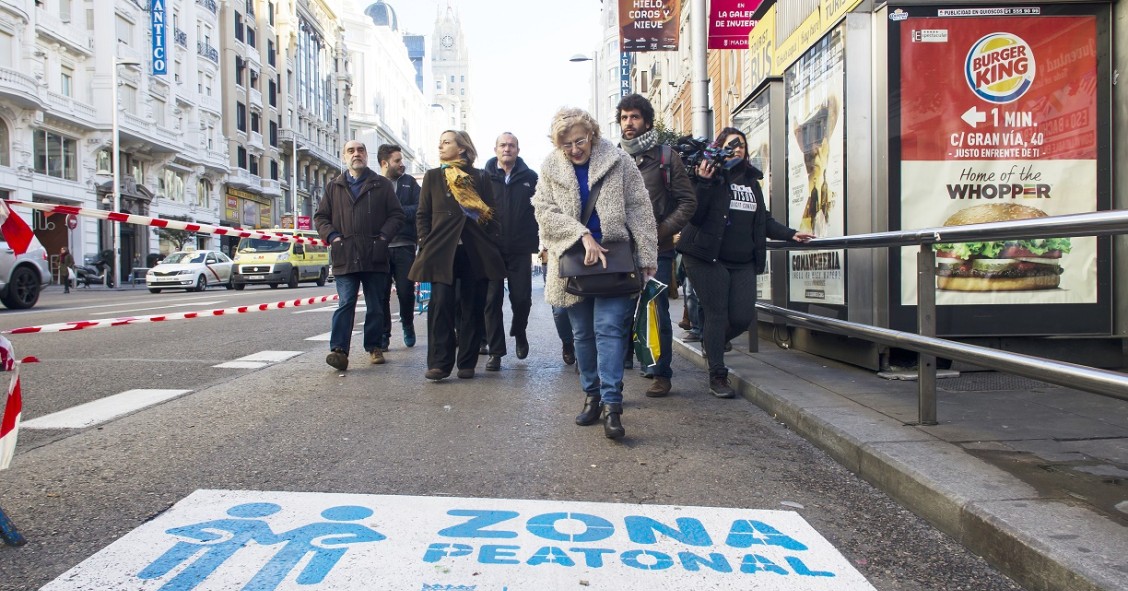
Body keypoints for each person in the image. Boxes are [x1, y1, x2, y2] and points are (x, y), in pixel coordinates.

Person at [533, 107, 658, 440]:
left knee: (608, 330)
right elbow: (544, 211)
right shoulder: (549, 167)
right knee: (583, 335)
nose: (575, 150)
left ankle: (612, 406)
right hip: (574, 263)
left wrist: (647, 255)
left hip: (615, 260)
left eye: (580, 141)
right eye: (567, 145)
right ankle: (592, 395)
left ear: (592, 135)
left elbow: (640, 208)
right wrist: (581, 234)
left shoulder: (619, 161)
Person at [677, 127, 815, 398]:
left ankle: (712, 341)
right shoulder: (709, 177)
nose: (737, 149)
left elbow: (763, 220)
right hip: (705, 257)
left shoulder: (752, 182)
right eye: (731, 145)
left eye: (741, 145)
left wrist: (791, 234)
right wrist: (704, 182)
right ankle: (718, 374)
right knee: (717, 313)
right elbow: (694, 215)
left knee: (741, 317)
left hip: (742, 261)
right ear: (719, 149)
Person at [616, 94, 696, 397]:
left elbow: (688, 203)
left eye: (634, 117)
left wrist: (661, 231)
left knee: (657, 309)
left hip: (658, 249)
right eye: (624, 118)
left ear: (647, 121)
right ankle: (620, 369)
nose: (628, 123)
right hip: (621, 250)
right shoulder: (615, 158)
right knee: (621, 311)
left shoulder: (665, 157)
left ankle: (662, 372)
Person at [408, 130, 505, 381]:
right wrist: (425, 241)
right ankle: (439, 363)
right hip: (442, 251)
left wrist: (491, 242)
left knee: (472, 306)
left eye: (447, 142)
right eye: (439, 142)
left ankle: (467, 362)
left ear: (462, 148)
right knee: (440, 305)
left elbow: (491, 213)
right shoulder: (432, 177)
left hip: (474, 250)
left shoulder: (479, 177)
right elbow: (423, 214)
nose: (440, 146)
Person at [314, 140, 405, 371]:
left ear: (367, 155)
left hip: (374, 254)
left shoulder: (381, 184)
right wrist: (333, 236)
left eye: (361, 150)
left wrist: (383, 238)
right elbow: (321, 218)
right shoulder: (334, 186)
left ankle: (374, 346)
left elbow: (396, 215)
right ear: (344, 156)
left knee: (375, 304)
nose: (357, 154)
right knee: (346, 303)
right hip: (345, 254)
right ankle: (339, 350)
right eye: (351, 151)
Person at [478, 133, 539, 372]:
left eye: (511, 145)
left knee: (522, 299)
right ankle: (496, 352)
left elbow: (540, 210)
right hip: (490, 249)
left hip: (520, 248)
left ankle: (519, 330)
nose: (507, 149)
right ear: (495, 149)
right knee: (491, 301)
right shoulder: (483, 178)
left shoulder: (530, 177)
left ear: (518, 149)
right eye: (503, 145)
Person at [376, 144, 422, 350]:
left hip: (405, 245)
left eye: (402, 160)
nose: (401, 164)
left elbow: (420, 207)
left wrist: (396, 212)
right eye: (397, 161)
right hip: (381, 247)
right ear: (385, 163)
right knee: (382, 293)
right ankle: (384, 334)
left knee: (405, 291)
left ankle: (408, 324)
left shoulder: (410, 183)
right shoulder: (374, 184)